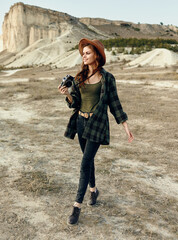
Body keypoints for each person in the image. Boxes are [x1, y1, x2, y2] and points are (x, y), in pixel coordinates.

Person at [58, 38, 134, 225]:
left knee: (84, 164)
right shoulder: (79, 78)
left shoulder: (107, 79)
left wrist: (125, 125)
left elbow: (115, 103)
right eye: (82, 53)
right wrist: (67, 94)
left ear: (97, 55)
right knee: (88, 160)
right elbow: (74, 103)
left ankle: (76, 207)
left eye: (87, 53)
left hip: (97, 125)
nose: (83, 56)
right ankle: (93, 190)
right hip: (81, 123)